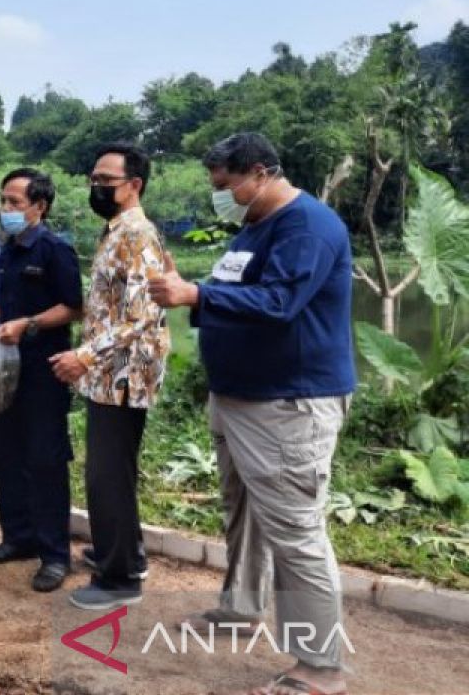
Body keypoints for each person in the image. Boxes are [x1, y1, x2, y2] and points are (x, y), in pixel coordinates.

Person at [149, 133, 354, 695]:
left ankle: (320, 667)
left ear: (259, 172)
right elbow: (233, 287)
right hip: (240, 399)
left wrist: (195, 295)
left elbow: (279, 302)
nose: (223, 196)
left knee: (295, 530)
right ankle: (240, 609)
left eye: (226, 185)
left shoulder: (306, 227)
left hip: (286, 404)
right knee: (243, 512)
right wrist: (194, 290)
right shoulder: (255, 225)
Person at [50, 143, 170, 609]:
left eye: (107, 181)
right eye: (94, 179)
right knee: (112, 471)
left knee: (107, 475)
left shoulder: (136, 234)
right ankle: (125, 555)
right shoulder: (116, 231)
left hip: (125, 373)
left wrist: (84, 354)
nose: (96, 187)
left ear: (134, 185)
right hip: (110, 372)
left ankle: (120, 580)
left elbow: (140, 315)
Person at [0, 168, 83, 593]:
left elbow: (73, 307)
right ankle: (18, 537)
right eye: (3, 201)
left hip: (44, 370)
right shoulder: (6, 251)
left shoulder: (54, 250)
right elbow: (1, 305)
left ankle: (55, 555)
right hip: (6, 370)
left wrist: (26, 324)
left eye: (14, 202)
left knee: (45, 459)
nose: (5, 209)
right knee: (7, 452)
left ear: (39, 206)